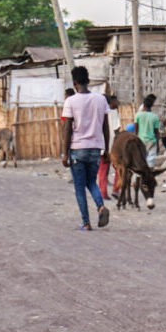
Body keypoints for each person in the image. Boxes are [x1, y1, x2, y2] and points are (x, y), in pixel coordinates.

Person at [60, 66, 111, 231]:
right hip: (95, 149)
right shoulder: (101, 99)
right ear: (88, 81)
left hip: (77, 149)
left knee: (79, 187)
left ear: (74, 83)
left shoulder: (71, 101)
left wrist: (64, 153)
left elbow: (67, 129)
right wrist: (107, 149)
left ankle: (86, 222)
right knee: (91, 182)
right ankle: (101, 206)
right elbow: (106, 127)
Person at [95, 95, 123, 197]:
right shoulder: (113, 113)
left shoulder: (98, 113)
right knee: (119, 168)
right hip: (112, 146)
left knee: (102, 169)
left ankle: (103, 192)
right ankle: (116, 189)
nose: (118, 103)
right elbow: (116, 130)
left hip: (100, 145)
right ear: (109, 102)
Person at [134, 95, 161, 168]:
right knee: (150, 161)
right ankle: (149, 176)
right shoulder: (155, 117)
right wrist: (158, 145)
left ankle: (139, 178)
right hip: (151, 141)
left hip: (140, 140)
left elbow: (136, 130)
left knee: (140, 160)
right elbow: (156, 133)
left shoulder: (138, 115)